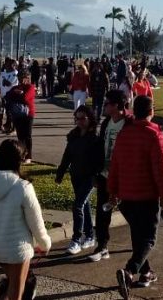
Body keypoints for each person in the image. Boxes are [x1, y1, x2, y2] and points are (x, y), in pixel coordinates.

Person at [108, 95, 163, 299]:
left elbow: (115, 164)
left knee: (138, 236)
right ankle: (130, 270)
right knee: (149, 239)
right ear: (152, 111)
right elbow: (161, 169)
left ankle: (145, 273)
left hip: (127, 195)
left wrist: (113, 191)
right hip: (147, 194)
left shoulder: (125, 134)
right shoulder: (154, 134)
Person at [0, 139, 51, 300]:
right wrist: (45, 243)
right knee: (16, 292)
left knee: (11, 283)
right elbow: (36, 222)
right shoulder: (23, 186)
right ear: (19, 160)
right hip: (18, 249)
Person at [56, 105, 102, 255]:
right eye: (77, 119)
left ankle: (76, 238)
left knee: (77, 205)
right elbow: (67, 155)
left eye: (83, 118)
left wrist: (96, 176)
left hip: (89, 177)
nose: (79, 122)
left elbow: (99, 161)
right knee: (84, 205)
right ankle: (89, 235)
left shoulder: (95, 138)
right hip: (76, 175)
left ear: (90, 118)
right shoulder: (73, 136)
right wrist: (60, 172)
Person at [90, 89, 129, 262]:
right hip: (105, 175)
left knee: (130, 212)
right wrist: (97, 171)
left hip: (124, 178)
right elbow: (100, 147)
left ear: (116, 105)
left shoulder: (129, 124)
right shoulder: (107, 123)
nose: (104, 106)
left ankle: (142, 245)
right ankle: (102, 246)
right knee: (102, 212)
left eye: (107, 103)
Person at [6, 72, 37, 164]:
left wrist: (16, 95)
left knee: (27, 135)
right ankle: (21, 154)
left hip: (28, 114)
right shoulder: (15, 88)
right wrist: (16, 93)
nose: (21, 80)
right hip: (17, 114)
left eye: (24, 78)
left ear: (28, 78)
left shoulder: (30, 87)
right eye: (20, 77)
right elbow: (8, 96)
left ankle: (28, 156)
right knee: (20, 136)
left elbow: (25, 98)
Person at [0, 58, 19, 132]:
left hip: (11, 96)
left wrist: (4, 81)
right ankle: (2, 125)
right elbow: (1, 84)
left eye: (9, 64)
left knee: (10, 112)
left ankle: (12, 128)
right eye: (6, 64)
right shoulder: (3, 73)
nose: (7, 65)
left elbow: (9, 84)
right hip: (3, 95)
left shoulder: (15, 73)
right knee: (2, 111)